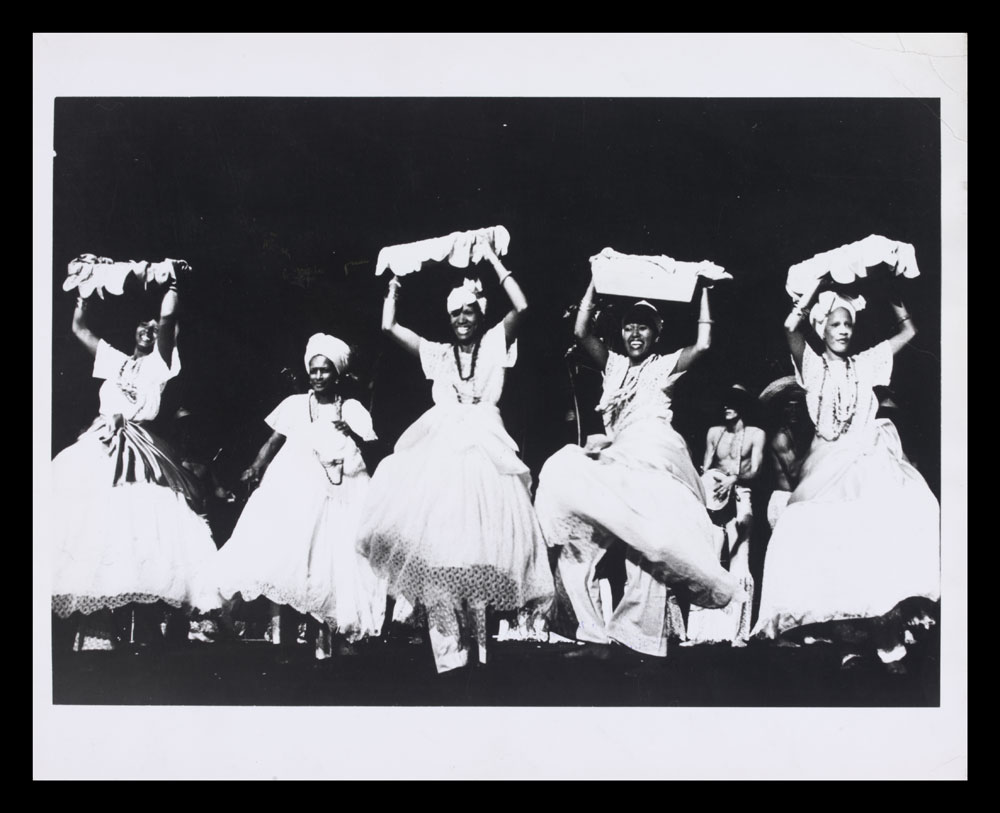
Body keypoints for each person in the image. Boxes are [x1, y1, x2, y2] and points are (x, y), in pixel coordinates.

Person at [357, 244, 554, 674]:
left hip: (485, 454)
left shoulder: (495, 342)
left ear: (479, 314)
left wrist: (493, 261)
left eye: (468, 312)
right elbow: (389, 327)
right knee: (440, 553)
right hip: (442, 456)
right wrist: (395, 283)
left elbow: (523, 305)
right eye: (454, 314)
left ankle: (481, 653)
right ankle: (448, 656)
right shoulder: (438, 354)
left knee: (477, 553)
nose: (461, 319)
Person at [534, 277, 742, 659]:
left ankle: (640, 638)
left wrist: (705, 290)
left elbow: (704, 343)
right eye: (629, 325)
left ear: (656, 333)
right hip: (617, 456)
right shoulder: (612, 364)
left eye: (642, 326)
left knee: (650, 547)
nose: (634, 333)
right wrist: (595, 278)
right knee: (575, 539)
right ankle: (592, 634)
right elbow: (581, 330)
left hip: (652, 456)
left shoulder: (664, 366)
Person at [751, 282, 940, 671]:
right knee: (830, 552)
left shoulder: (866, 362)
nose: (842, 330)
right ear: (823, 329)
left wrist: (896, 303)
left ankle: (889, 644)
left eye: (848, 325)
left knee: (881, 539)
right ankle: (848, 643)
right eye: (835, 324)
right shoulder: (813, 365)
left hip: (866, 462)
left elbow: (909, 335)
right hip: (825, 468)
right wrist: (815, 285)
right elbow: (790, 329)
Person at [51, 280, 221, 651]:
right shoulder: (114, 360)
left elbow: (168, 316)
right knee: (92, 522)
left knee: (140, 525)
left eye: (154, 325)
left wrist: (174, 284)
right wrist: (84, 292)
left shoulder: (159, 364)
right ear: (132, 329)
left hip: (141, 447)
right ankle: (96, 626)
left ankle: (142, 626)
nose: (149, 328)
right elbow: (79, 328)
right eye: (142, 324)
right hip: (100, 444)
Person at [215, 334, 387, 659]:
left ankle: (329, 640)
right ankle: (284, 642)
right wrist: (255, 466)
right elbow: (272, 442)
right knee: (287, 555)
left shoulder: (350, 408)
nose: (319, 376)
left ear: (336, 374)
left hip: (340, 488)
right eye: (314, 370)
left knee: (332, 558)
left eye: (325, 370)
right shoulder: (295, 405)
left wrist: (351, 433)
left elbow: (372, 445)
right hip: (295, 488)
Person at [685, 384, 765, 646]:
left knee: (739, 561)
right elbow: (706, 467)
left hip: (741, 496)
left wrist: (734, 479)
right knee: (709, 561)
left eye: (733, 403)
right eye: (725, 403)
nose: (727, 407)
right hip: (715, 500)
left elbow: (756, 470)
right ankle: (701, 633)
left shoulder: (756, 434)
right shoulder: (714, 433)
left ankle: (737, 633)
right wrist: (704, 480)